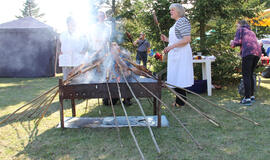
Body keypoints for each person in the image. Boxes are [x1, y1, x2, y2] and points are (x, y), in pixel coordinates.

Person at [160, 3, 194, 107]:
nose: (170, 11)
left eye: (173, 10)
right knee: (177, 77)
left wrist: (171, 47)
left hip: (181, 54)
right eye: (170, 10)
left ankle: (180, 102)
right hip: (177, 54)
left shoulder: (182, 21)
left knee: (180, 77)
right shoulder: (178, 23)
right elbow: (178, 39)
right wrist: (167, 40)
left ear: (179, 11)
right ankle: (180, 101)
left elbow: (187, 40)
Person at [230, 20, 261, 106]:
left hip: (248, 52)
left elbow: (236, 42)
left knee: (246, 75)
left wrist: (231, 43)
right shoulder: (251, 32)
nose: (236, 27)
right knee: (250, 74)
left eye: (237, 26)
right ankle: (251, 96)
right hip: (257, 53)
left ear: (241, 25)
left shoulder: (241, 30)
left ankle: (247, 98)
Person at [57, 16, 88, 81]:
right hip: (66, 60)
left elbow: (86, 43)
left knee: (78, 79)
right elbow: (58, 43)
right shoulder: (63, 34)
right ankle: (67, 90)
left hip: (78, 60)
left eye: (73, 23)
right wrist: (59, 51)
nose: (72, 24)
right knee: (67, 80)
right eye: (70, 23)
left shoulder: (81, 34)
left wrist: (84, 50)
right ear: (67, 24)